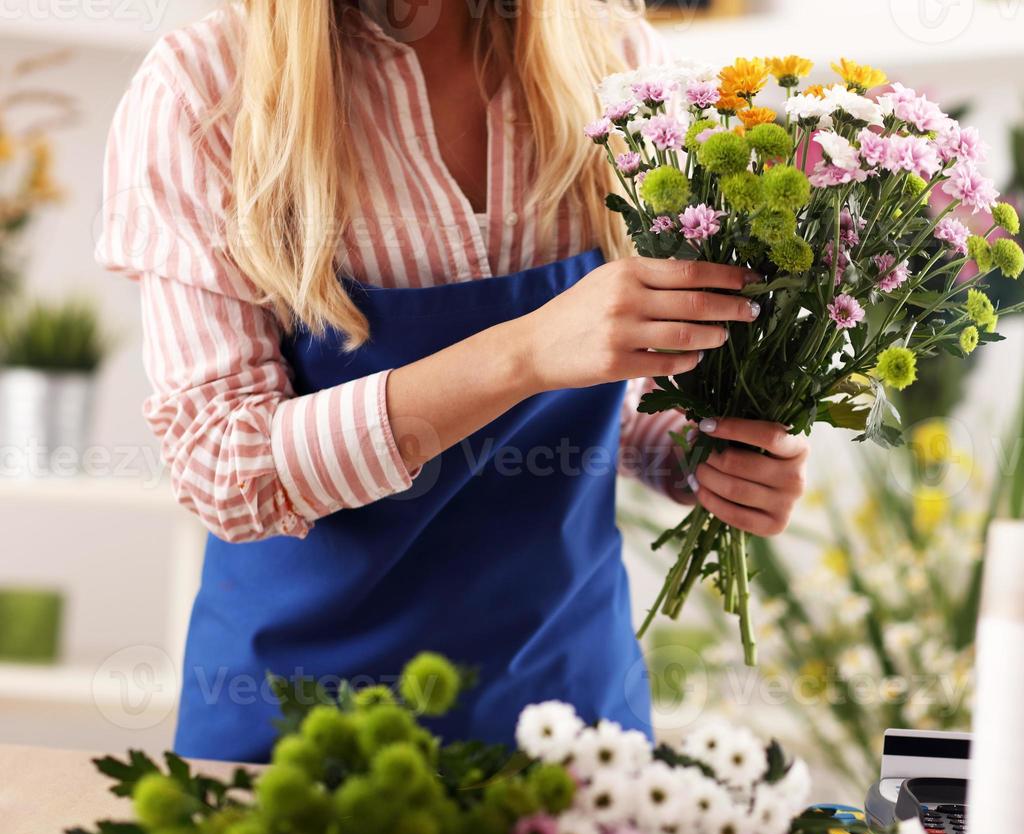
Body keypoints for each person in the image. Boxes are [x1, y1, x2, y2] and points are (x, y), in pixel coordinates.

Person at [95, 0, 808, 761]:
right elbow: (223, 469)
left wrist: (692, 455)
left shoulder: (623, 62)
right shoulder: (205, 90)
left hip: (570, 720)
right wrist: (523, 352)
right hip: (303, 736)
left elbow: (613, 400)